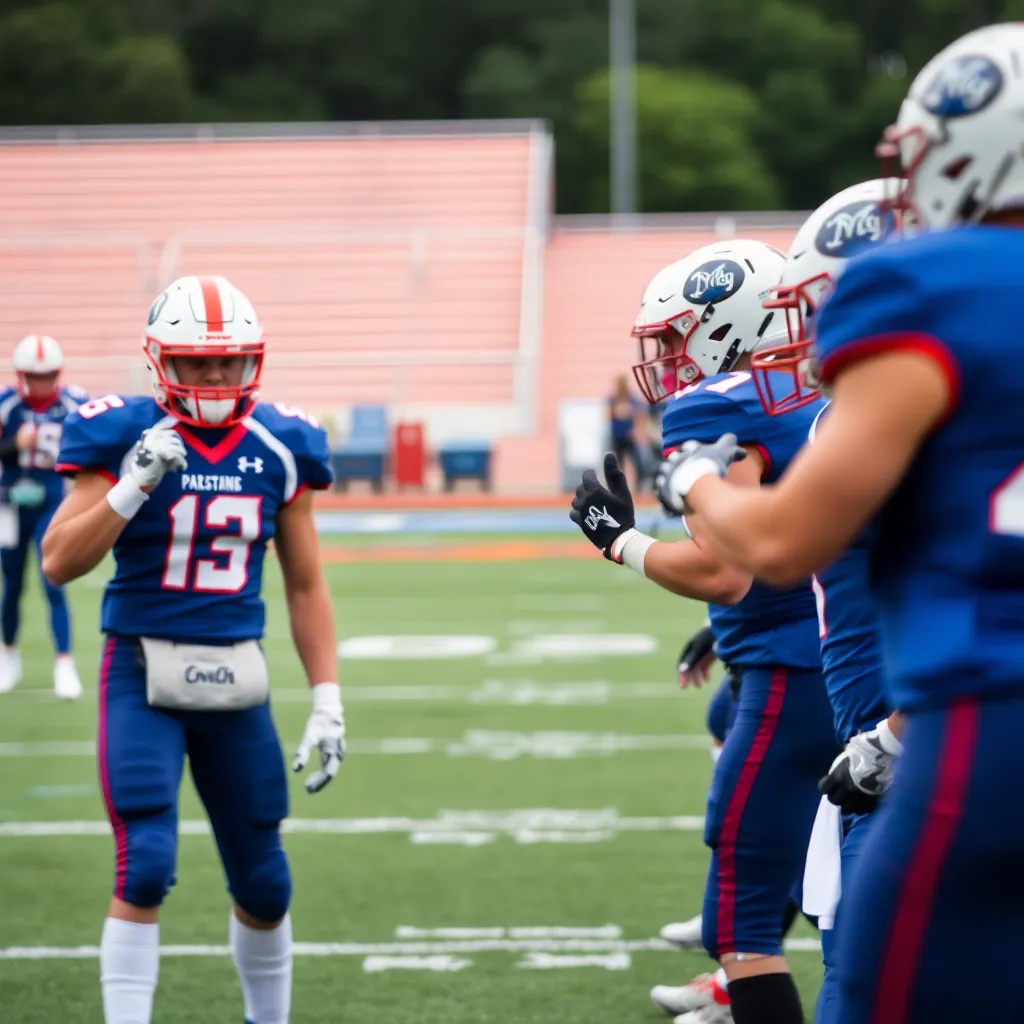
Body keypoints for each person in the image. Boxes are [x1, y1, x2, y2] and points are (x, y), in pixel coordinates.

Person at [662, 23, 1024, 1023]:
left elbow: (782, 543)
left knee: (873, 997)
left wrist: (691, 479)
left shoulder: (928, 284)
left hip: (983, 731)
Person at [41, 275, 345, 1024]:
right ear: (158, 363)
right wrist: (131, 484)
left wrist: (328, 698)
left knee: (267, 882)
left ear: (252, 362)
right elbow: (59, 560)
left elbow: (305, 585)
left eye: (228, 363)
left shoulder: (282, 442)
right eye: (195, 363)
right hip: (140, 670)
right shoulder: (115, 431)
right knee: (144, 865)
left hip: (237, 676)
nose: (213, 379)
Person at [570, 239, 837, 1024]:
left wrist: (620, 542)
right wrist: (725, 628)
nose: (668, 361)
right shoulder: (805, 392)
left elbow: (727, 571)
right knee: (837, 873)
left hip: (796, 667)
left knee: (739, 920)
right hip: (841, 647)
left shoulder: (717, 403)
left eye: (676, 337)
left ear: (724, 326)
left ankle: (737, 985)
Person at [0, 334, 86, 697]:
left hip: (52, 500)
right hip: (9, 502)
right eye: (33, 376)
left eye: (45, 375)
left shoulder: (73, 404)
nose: (39, 384)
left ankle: (64, 663)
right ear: (21, 376)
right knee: (13, 583)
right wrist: (13, 446)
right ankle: (8, 656)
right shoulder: (7, 405)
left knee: (54, 581)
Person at [607, 374, 646, 489]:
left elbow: (640, 415)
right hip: (616, 436)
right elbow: (608, 414)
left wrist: (638, 431)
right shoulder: (612, 399)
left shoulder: (632, 398)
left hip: (629, 436)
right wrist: (618, 411)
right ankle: (617, 488)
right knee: (617, 465)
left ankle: (639, 487)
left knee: (638, 463)